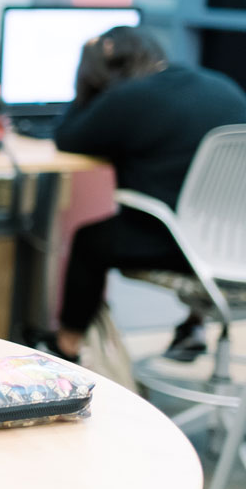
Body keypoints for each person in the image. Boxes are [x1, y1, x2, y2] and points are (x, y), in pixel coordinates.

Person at [44, 25, 246, 362]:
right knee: (191, 211)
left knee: (89, 240)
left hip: (178, 246)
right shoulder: (221, 85)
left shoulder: (128, 97)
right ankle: (193, 325)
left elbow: (67, 138)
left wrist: (89, 90)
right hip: (236, 245)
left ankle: (66, 347)